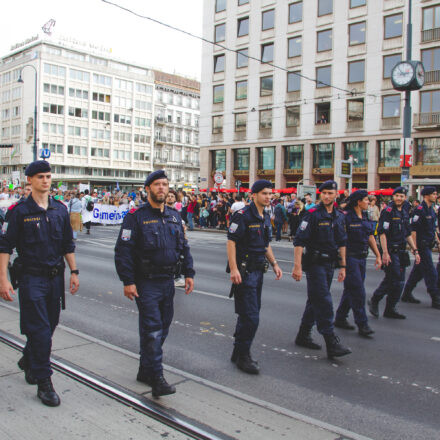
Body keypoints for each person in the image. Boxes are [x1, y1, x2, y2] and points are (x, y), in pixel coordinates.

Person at [0, 160, 79, 407]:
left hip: (55, 277)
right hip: (32, 277)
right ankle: (44, 382)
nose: (46, 181)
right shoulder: (18, 211)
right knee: (41, 331)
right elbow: (5, 247)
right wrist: (3, 278)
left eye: (48, 176)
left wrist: (74, 271)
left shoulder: (59, 209)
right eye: (40, 177)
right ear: (30, 181)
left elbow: (67, 243)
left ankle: (28, 358)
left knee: (50, 324)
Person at [114, 170, 194, 397]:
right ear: (147, 188)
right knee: (153, 329)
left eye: (165, 184)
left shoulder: (174, 216)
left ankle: (145, 369)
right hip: (146, 282)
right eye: (157, 184)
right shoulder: (135, 216)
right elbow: (123, 250)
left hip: (168, 281)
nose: (162, 188)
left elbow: (184, 246)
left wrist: (189, 272)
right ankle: (157, 378)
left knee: (163, 327)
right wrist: (128, 281)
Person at [227, 180, 282, 374]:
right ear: (254, 195)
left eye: (270, 194)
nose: (268, 197)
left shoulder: (265, 215)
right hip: (245, 271)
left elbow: (265, 243)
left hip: (258, 271)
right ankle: (244, 356)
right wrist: (233, 269)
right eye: (264, 194)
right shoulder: (242, 216)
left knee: (247, 313)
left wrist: (275, 263)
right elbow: (231, 242)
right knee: (251, 317)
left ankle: (238, 351)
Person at [292, 180, 351, 359]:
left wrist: (343, 266)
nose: (326, 196)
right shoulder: (312, 214)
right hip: (315, 263)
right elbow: (299, 241)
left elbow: (341, 242)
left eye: (330, 193)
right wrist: (297, 266)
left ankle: (303, 335)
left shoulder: (339, 216)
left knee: (315, 300)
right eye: (324, 193)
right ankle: (331, 342)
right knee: (324, 301)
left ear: (336, 195)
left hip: (329, 264)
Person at [334, 190, 382, 338]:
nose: (369, 202)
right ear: (358, 202)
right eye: (366, 200)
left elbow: (370, 237)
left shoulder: (365, 216)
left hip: (362, 257)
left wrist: (378, 255)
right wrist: (341, 263)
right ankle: (363, 324)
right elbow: (340, 240)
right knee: (358, 291)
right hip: (350, 258)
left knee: (351, 289)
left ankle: (340, 318)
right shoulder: (345, 217)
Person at [368, 187, 420, 320]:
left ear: (405, 197)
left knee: (398, 281)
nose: (399, 198)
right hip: (390, 250)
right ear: (393, 196)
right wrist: (385, 253)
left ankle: (390, 308)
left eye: (401, 196)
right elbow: (382, 233)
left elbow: (407, 233)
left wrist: (415, 250)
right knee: (395, 278)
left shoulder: (405, 211)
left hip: (401, 250)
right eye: (397, 196)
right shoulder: (388, 211)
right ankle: (375, 299)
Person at [401, 186, 440, 309]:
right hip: (422, 246)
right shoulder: (420, 209)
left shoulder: (432, 210)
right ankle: (435, 298)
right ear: (426, 195)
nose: (436, 196)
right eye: (433, 194)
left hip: (429, 244)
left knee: (418, 273)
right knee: (431, 273)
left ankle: (406, 293)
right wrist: (415, 248)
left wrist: (438, 241)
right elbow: (414, 231)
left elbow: (433, 229)